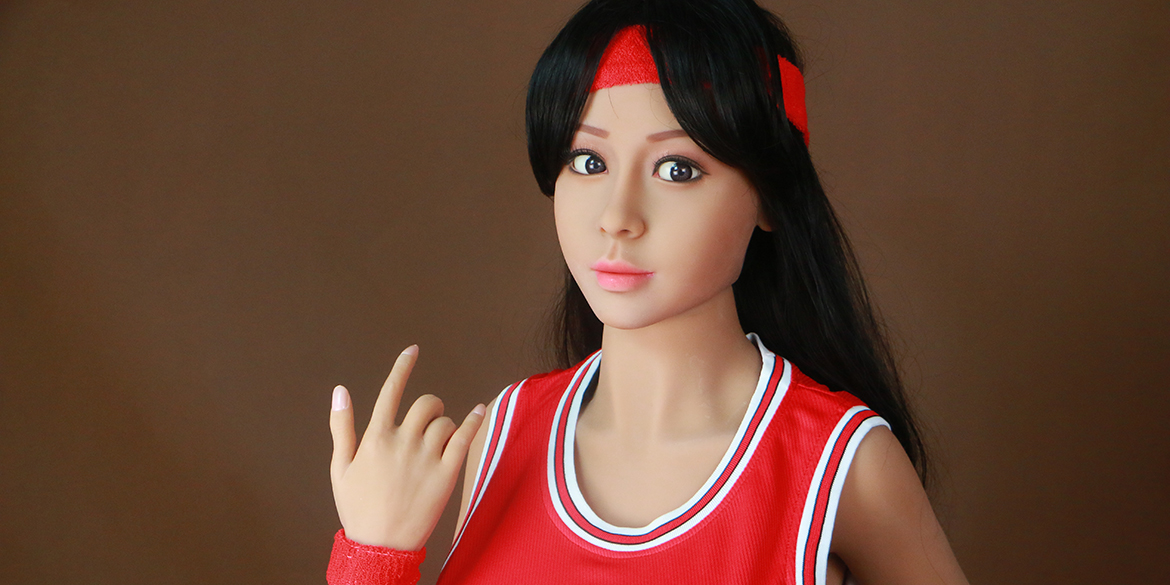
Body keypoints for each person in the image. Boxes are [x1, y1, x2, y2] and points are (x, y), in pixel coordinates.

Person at [326, 0, 969, 583]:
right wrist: (373, 557)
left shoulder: (841, 464)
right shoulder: (499, 438)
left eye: (677, 169)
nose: (617, 216)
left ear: (771, 196)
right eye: (588, 162)